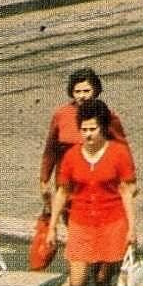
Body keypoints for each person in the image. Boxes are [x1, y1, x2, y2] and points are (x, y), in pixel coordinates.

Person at [49, 98, 137, 286]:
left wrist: (132, 229)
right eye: (83, 129)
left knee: (101, 280)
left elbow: (127, 191)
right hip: (80, 223)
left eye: (93, 129)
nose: (87, 134)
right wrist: (52, 227)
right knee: (77, 281)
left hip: (112, 224)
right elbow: (62, 192)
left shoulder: (119, 153)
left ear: (103, 128)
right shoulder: (71, 156)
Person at [38, 68, 127, 213]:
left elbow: (121, 149)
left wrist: (126, 181)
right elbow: (50, 150)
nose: (82, 96)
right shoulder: (61, 114)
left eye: (86, 91)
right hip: (67, 184)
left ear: (95, 90)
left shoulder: (106, 115)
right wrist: (44, 180)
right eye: (77, 92)